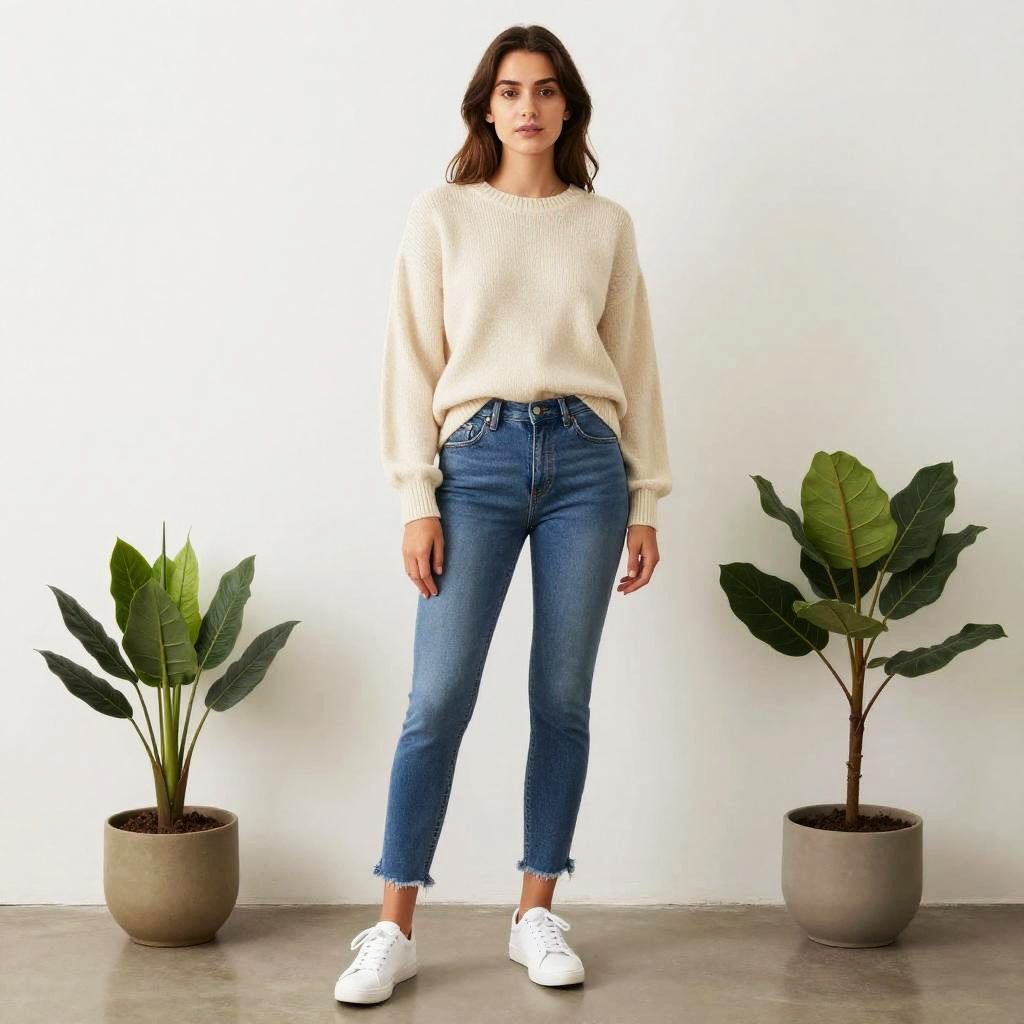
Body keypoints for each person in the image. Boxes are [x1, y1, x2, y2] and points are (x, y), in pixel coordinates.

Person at [335, 24, 672, 1005]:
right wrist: (415, 495)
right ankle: (392, 922)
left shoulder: (604, 224)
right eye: (510, 89)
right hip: (472, 461)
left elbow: (637, 365)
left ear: (567, 108)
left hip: (585, 462)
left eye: (546, 89)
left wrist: (646, 496)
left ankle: (534, 909)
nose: (528, 106)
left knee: (561, 699)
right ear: (486, 106)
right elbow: (410, 360)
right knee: (436, 698)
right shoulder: (441, 214)